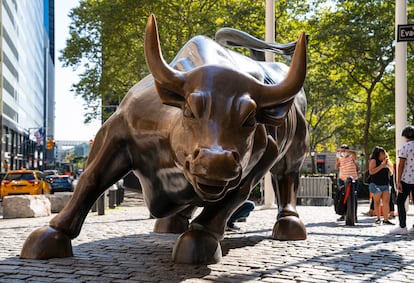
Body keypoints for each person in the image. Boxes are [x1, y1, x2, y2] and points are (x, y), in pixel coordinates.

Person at [390, 125, 414, 234]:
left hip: (407, 179)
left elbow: (401, 165)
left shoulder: (405, 147)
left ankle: (402, 226)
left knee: (400, 201)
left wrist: (398, 181)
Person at [368, 146, 394, 225]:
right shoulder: (373, 161)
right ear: (378, 154)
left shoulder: (386, 161)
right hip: (376, 184)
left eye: (384, 153)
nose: (384, 155)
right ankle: (378, 218)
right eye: (382, 153)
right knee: (377, 202)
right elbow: (371, 172)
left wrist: (388, 165)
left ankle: (386, 219)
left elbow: (391, 173)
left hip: (386, 184)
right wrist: (381, 166)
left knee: (386, 202)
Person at [335, 144, 359, 221]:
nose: (343, 151)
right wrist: (337, 160)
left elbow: (355, 153)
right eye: (342, 149)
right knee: (342, 197)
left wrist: (345, 151)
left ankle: (354, 215)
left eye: (345, 149)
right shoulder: (339, 157)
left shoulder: (352, 156)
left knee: (353, 197)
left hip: (353, 179)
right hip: (342, 178)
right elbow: (336, 167)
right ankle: (343, 214)